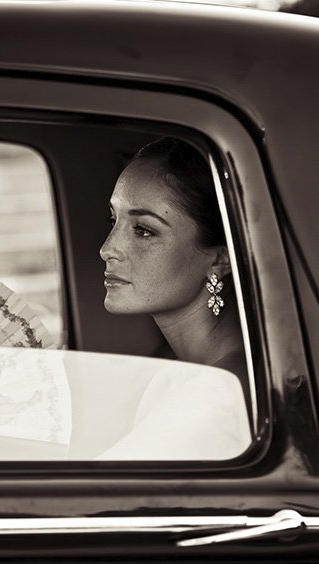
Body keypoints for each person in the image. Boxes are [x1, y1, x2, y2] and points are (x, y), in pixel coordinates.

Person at [95, 137, 250, 460]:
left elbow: (84, 502)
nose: (107, 249)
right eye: (113, 220)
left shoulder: (216, 391)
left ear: (220, 259)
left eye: (144, 231)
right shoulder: (180, 375)